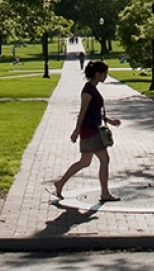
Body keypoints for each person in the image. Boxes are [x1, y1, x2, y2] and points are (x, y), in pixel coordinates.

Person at [54, 60, 121, 203]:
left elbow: (95, 112)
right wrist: (76, 131)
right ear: (97, 74)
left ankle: (60, 183)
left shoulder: (93, 89)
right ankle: (105, 193)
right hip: (90, 130)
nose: (106, 76)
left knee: (85, 162)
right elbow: (83, 111)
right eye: (104, 74)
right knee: (105, 159)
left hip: (91, 129)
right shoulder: (88, 90)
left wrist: (110, 121)